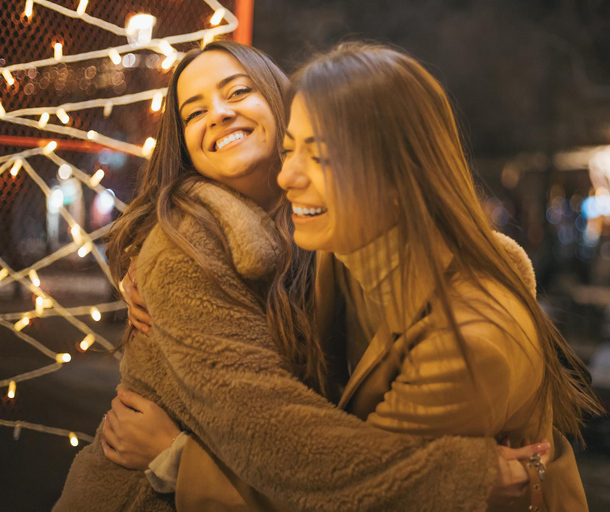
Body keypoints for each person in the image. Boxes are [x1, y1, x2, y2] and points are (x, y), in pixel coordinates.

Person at [53, 41, 549, 512]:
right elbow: (273, 436)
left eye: (238, 91)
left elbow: (420, 233)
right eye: (194, 112)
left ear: (281, 102)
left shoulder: (314, 229)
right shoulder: (184, 247)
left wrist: (493, 268)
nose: (219, 114)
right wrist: (462, 480)